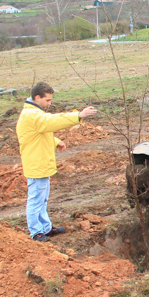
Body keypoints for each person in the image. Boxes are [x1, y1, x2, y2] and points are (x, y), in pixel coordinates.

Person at [16, 82, 97, 242]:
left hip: (40, 164)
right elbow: (52, 121)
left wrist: (55, 142)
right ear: (37, 97)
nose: (49, 103)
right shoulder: (32, 115)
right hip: (36, 165)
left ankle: (45, 228)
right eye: (47, 100)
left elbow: (38, 135)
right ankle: (36, 232)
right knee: (35, 200)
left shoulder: (34, 113)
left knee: (42, 198)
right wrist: (78, 116)